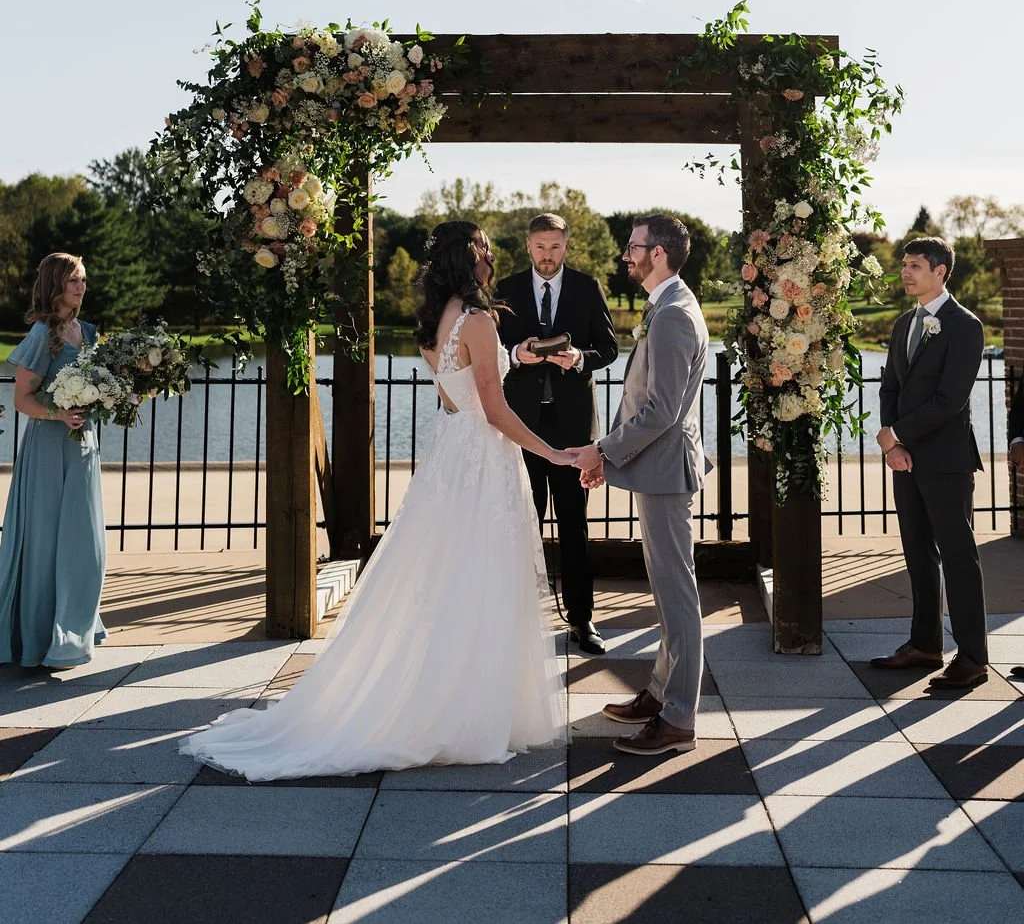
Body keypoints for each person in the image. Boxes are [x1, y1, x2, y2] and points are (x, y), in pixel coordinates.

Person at [182, 220, 571, 778]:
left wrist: (519, 356)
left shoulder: (441, 320)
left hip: (452, 455)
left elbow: (462, 382)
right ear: (470, 257)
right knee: (481, 577)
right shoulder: (481, 319)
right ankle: (467, 711)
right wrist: (553, 453)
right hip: (482, 460)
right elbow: (493, 408)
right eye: (485, 248)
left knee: (450, 580)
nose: (492, 256)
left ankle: (454, 700)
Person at [569, 215, 710, 756]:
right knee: (667, 587)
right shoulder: (665, 306)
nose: (626, 254)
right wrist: (610, 456)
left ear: (659, 254)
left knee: (677, 594)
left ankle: (678, 720)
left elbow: (661, 411)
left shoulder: (673, 315)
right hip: (656, 467)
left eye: (634, 247)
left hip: (667, 470)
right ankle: (658, 693)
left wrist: (602, 449)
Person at [497, 213, 619, 655]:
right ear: (528, 246)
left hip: (572, 431)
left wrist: (580, 359)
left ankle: (582, 621)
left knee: (574, 526)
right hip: (522, 429)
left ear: (567, 245)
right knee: (522, 526)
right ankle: (515, 621)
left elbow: (609, 348)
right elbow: (489, 349)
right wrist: (515, 354)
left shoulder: (588, 287)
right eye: (540, 247)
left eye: (556, 247)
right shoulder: (505, 289)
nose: (548, 256)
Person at [872, 237, 988, 691]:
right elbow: (889, 390)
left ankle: (974, 656)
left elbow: (950, 400)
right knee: (918, 554)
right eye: (904, 264)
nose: (905, 272)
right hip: (907, 461)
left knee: (959, 557)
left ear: (940, 272)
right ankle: (924, 645)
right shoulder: (904, 323)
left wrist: (897, 434)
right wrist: (892, 446)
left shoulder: (965, 326)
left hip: (947, 461)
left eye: (915, 265)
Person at [0, 253, 106, 668]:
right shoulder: (43, 335)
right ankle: (45, 639)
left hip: (83, 445)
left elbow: (98, 385)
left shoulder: (89, 332)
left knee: (85, 544)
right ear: (55, 286)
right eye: (73, 281)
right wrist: (58, 414)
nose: (81, 287)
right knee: (47, 543)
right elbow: (22, 399)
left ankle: (76, 629)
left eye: (83, 280)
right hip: (47, 448)